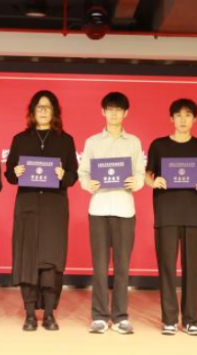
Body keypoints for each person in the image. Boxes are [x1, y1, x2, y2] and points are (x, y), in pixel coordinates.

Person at [5, 90, 78, 331]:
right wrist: (15, 172)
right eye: (39, 107)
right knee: (27, 258)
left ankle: (48, 314)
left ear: (55, 111)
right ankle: (29, 314)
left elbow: (73, 175)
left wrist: (63, 175)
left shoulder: (65, 140)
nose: (43, 111)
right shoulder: (20, 139)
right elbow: (9, 174)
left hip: (54, 207)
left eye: (48, 107)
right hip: (27, 205)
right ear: (32, 112)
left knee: (51, 261)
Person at [76, 91, 146, 334]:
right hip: (98, 208)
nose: (114, 113)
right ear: (103, 112)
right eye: (110, 109)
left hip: (125, 209)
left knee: (122, 266)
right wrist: (88, 184)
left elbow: (140, 173)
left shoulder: (134, 142)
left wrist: (136, 182)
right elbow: (83, 173)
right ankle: (99, 316)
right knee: (99, 265)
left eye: (118, 110)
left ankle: (120, 316)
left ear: (126, 113)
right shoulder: (92, 142)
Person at [146, 98, 197, 335]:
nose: (183, 120)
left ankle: (191, 320)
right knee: (167, 268)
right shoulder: (158, 145)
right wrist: (154, 181)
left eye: (188, 115)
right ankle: (169, 320)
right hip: (166, 214)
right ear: (171, 118)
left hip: (193, 215)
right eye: (178, 115)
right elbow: (147, 176)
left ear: (194, 119)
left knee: (191, 269)